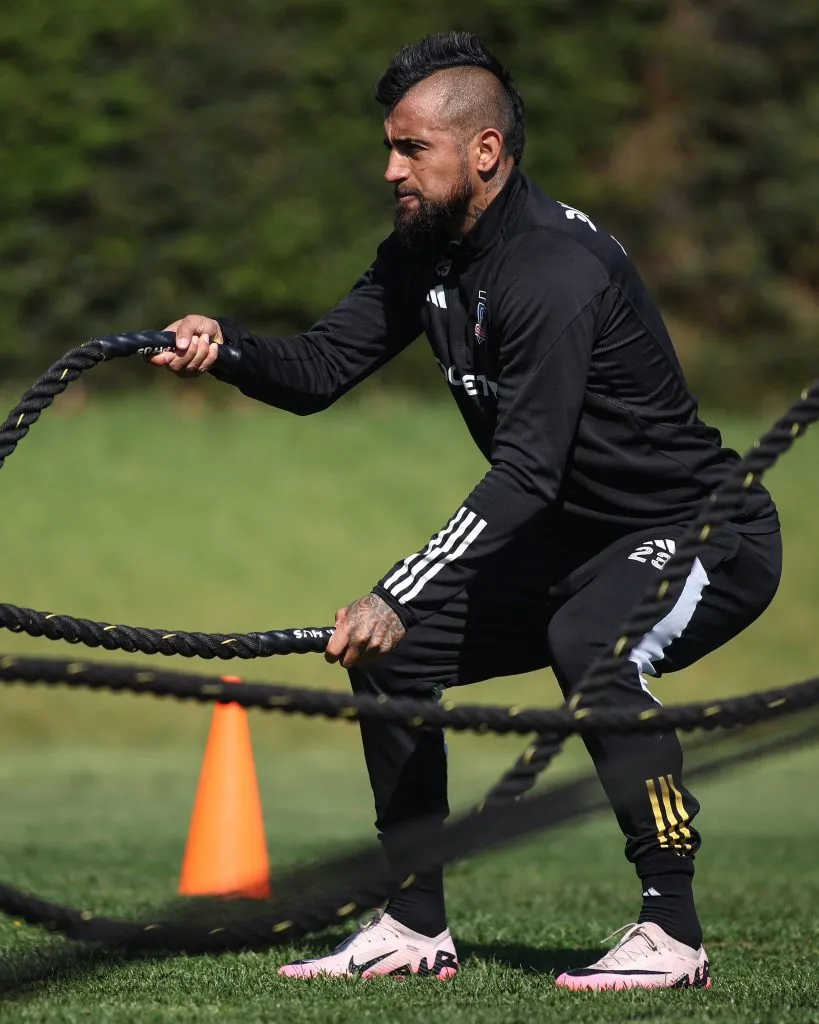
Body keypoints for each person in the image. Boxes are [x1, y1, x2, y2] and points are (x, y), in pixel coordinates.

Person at [149, 31, 781, 990]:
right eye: (390, 147)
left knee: (589, 640)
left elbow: (525, 473)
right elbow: (321, 368)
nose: (389, 168)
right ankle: (412, 924)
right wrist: (227, 347)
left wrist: (393, 588)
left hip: (703, 530)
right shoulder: (424, 250)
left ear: (482, 152)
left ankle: (672, 930)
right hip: (577, 535)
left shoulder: (552, 270)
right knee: (394, 651)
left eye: (411, 150)